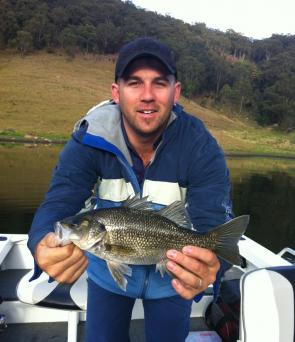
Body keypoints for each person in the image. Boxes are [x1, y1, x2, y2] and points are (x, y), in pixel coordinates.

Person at [28, 37, 233, 342]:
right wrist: (40, 243)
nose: (147, 96)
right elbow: (61, 199)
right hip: (106, 276)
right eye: (135, 83)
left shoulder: (201, 147)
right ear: (116, 92)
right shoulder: (89, 139)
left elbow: (213, 220)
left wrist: (212, 269)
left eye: (159, 83)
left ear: (175, 92)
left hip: (172, 279)